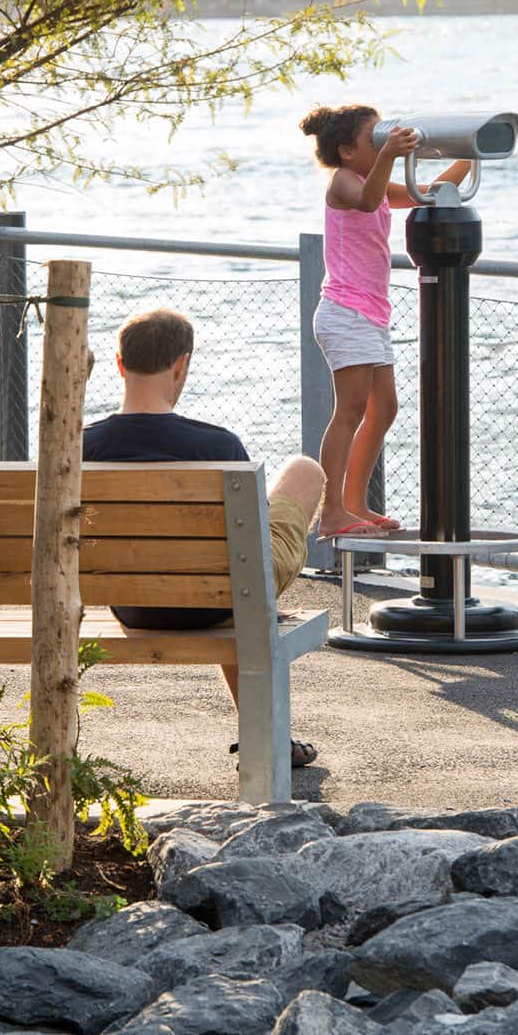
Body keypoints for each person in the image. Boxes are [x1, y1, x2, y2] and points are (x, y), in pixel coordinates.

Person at [83, 306, 325, 768]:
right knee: (303, 472)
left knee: (229, 574)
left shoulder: (79, 446)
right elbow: (249, 546)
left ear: (118, 365)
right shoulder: (219, 447)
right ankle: (266, 735)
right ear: (181, 365)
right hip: (218, 597)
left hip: (131, 603)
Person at [300, 103, 474, 540]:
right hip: (345, 312)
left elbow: (424, 192)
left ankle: (356, 502)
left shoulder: (366, 177)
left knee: (384, 409)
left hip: (370, 315)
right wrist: (390, 154)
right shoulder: (342, 181)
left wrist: (469, 155)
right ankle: (333, 509)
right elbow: (368, 200)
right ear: (344, 150)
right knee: (350, 411)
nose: (382, 142)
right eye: (373, 137)